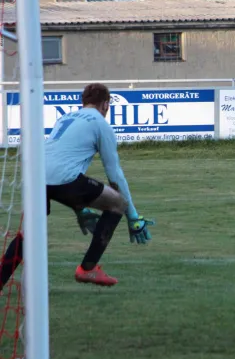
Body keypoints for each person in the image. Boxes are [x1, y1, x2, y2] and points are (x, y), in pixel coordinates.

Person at [0, 83, 154, 290]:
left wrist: (78, 207)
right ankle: (88, 268)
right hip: (62, 179)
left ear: (84, 102)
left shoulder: (65, 118)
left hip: (35, 175)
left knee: (28, 235)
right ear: (106, 104)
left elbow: (59, 164)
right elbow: (114, 173)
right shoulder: (101, 123)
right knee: (117, 203)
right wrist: (133, 216)